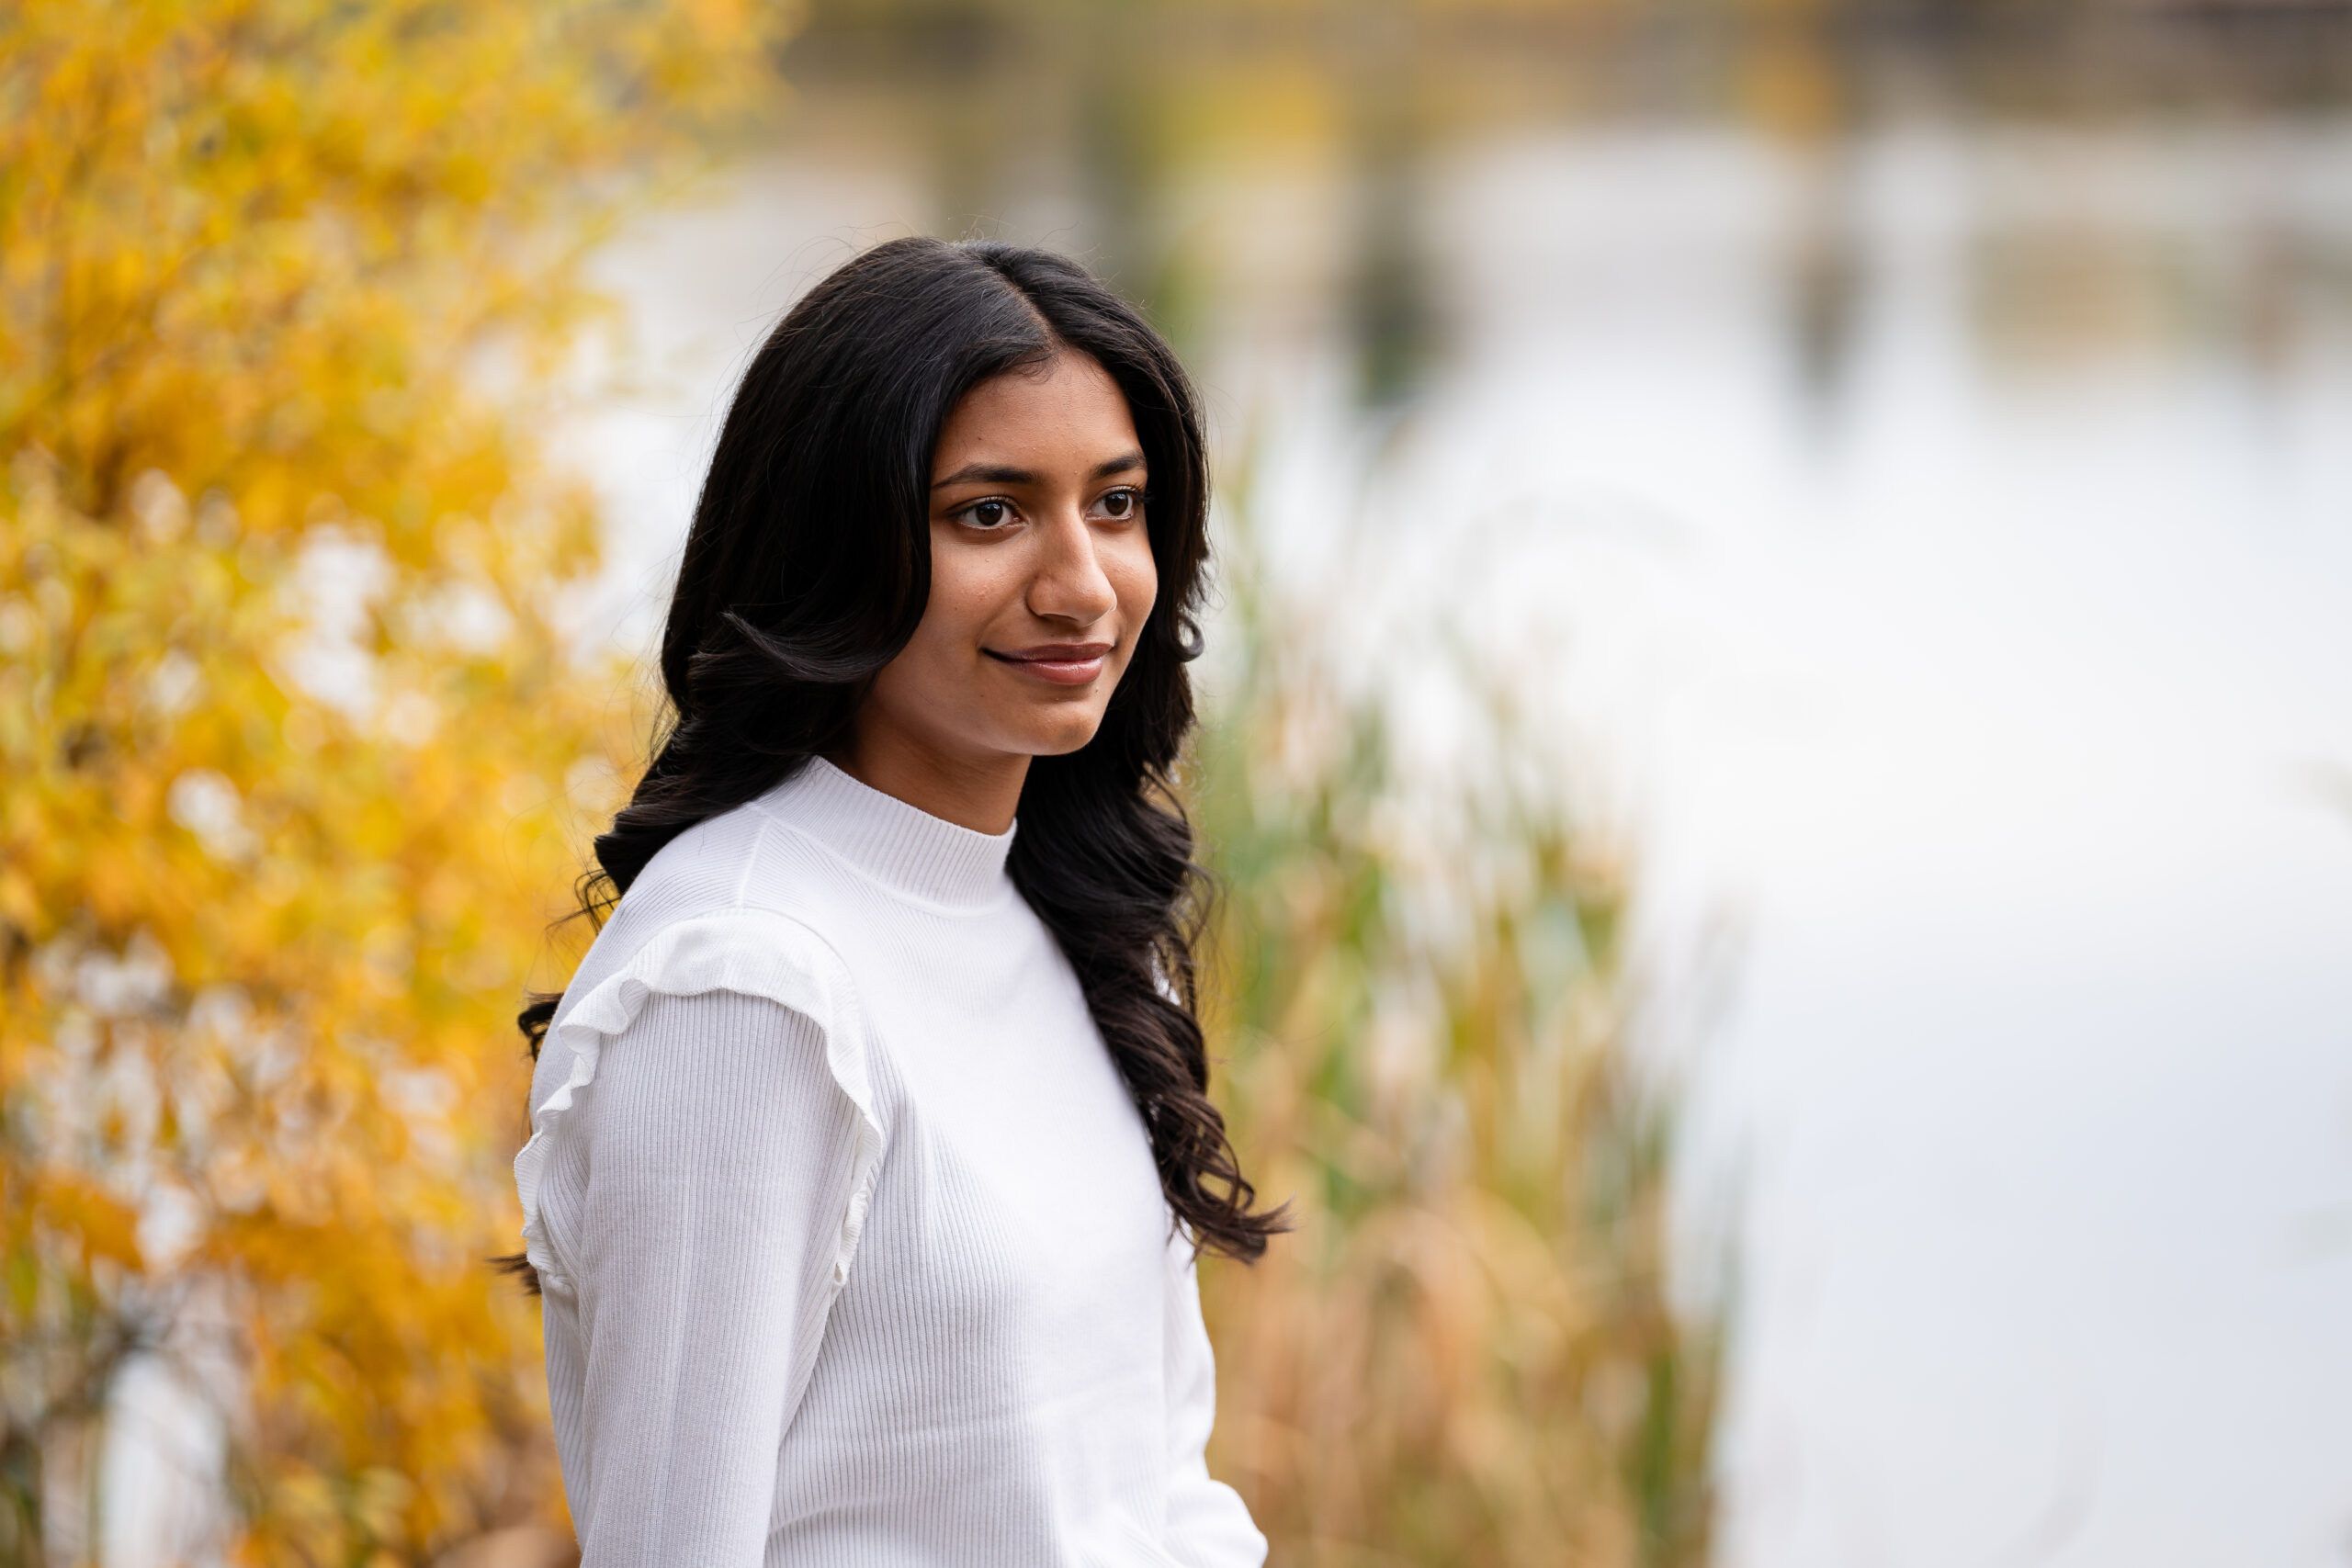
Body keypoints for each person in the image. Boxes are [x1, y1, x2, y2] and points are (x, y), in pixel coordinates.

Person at [505, 237, 1281, 1567]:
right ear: (834, 548)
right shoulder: (743, 982)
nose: (1082, 585)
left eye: (1116, 504)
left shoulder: (1077, 924)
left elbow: (1159, 1485)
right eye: (990, 511)